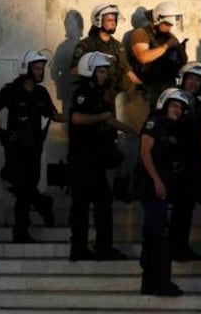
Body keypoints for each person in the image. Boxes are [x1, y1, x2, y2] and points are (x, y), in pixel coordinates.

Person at [0, 49, 68, 243]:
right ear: (26, 69)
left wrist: (76, 117)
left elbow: (53, 115)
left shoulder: (41, 93)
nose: (40, 72)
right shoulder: (12, 91)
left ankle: (41, 206)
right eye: (36, 68)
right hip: (15, 148)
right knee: (19, 187)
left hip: (34, 149)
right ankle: (22, 229)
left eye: (41, 68)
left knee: (25, 188)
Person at [67, 51, 128, 261]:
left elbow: (108, 119)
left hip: (94, 158)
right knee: (87, 205)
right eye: (101, 71)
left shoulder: (97, 94)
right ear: (90, 71)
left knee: (99, 203)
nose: (104, 75)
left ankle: (97, 246)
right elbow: (76, 118)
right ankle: (86, 247)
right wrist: (101, 117)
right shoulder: (83, 93)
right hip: (83, 159)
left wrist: (132, 130)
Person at [137, 87, 190, 296]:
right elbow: (144, 152)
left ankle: (149, 283)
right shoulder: (155, 123)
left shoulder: (171, 129)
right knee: (161, 236)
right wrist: (157, 180)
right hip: (151, 187)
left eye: (180, 107)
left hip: (161, 186)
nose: (177, 110)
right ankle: (161, 283)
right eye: (174, 105)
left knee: (153, 235)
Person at [169, 61, 201, 261]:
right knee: (178, 209)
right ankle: (174, 247)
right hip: (174, 165)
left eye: (198, 80)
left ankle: (181, 247)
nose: (193, 83)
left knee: (186, 208)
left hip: (191, 164)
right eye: (190, 78)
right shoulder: (172, 100)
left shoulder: (197, 105)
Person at [71, 3, 142, 107]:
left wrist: (140, 85)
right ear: (98, 21)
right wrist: (94, 67)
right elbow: (74, 70)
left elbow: (127, 70)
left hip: (117, 97)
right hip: (95, 96)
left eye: (114, 20)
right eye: (109, 20)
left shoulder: (118, 46)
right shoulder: (87, 45)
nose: (113, 24)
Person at [128, 1, 187, 108]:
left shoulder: (169, 36)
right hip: (149, 88)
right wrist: (165, 46)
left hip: (168, 85)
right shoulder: (141, 33)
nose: (169, 28)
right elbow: (143, 57)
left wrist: (179, 46)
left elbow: (183, 61)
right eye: (167, 24)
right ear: (158, 20)